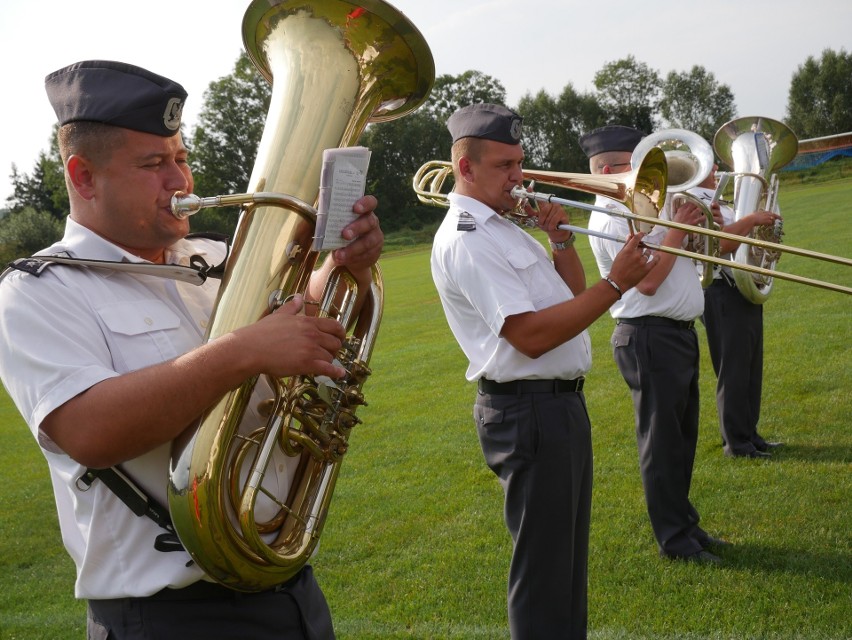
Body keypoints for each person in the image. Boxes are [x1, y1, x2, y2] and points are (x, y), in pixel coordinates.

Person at [0, 60, 385, 640]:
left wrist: (339, 268)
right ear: (83, 176)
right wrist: (243, 351)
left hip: (287, 587)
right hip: (166, 616)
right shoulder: (39, 291)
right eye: (153, 165)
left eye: (180, 157)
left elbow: (295, 328)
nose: (181, 181)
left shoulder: (212, 258)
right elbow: (89, 430)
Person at [430, 104, 658, 640]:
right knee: (544, 574)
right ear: (465, 168)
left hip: (555, 406)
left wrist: (559, 242)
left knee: (566, 564)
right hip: (528, 412)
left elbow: (569, 298)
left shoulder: (502, 225)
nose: (520, 177)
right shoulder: (469, 236)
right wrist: (617, 285)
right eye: (506, 166)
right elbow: (530, 337)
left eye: (520, 163)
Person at [580, 125, 729, 565]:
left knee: (681, 440)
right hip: (648, 336)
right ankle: (674, 540)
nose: (653, 172)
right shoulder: (612, 215)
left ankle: (686, 524)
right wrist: (680, 233)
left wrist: (703, 230)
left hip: (675, 334)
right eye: (638, 165)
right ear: (609, 171)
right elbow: (645, 283)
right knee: (662, 444)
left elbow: (682, 262)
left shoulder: (646, 206)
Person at [689, 168, 784, 459]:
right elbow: (720, 244)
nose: (716, 170)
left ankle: (750, 435)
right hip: (721, 289)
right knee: (734, 369)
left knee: (751, 367)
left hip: (742, 288)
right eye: (709, 166)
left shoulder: (722, 201)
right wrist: (752, 220)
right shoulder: (696, 200)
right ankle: (737, 443)